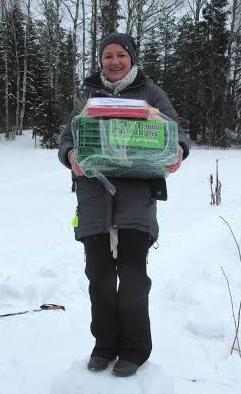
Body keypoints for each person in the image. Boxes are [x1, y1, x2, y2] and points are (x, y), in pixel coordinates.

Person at [58, 32, 189, 377]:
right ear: (100, 61)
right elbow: (68, 135)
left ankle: (134, 349)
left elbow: (177, 133)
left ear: (132, 58)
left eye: (121, 55)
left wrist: (177, 151)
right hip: (93, 199)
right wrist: (70, 154)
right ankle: (104, 345)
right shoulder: (87, 95)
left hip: (136, 199)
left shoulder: (150, 94)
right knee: (99, 278)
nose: (114, 62)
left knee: (132, 278)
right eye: (107, 56)